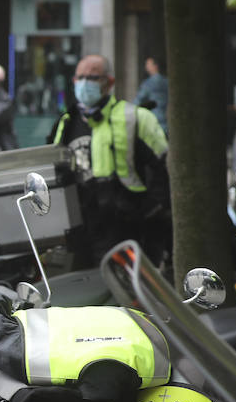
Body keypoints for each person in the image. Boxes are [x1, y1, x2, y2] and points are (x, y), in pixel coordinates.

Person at [49, 53, 170, 265]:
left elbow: (165, 166)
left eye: (92, 78)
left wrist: (151, 209)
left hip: (126, 226)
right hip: (82, 226)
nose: (84, 83)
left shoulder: (135, 118)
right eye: (80, 78)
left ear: (110, 82)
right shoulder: (66, 122)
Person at [137, 54, 170, 134]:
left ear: (155, 66)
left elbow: (139, 99)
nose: (146, 67)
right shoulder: (166, 81)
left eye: (148, 64)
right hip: (165, 118)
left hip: (153, 118)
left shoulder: (148, 83)